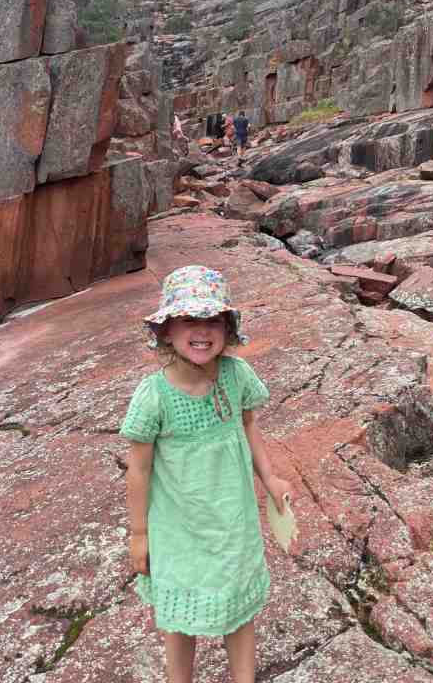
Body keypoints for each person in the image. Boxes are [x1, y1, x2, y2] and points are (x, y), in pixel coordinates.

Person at [120, 266, 289, 683]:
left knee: (240, 609)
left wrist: (270, 479)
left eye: (213, 320)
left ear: (227, 329)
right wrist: (139, 533)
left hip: (233, 522)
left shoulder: (236, 376)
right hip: (178, 530)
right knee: (179, 619)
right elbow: (139, 468)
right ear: (166, 331)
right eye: (188, 320)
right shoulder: (154, 396)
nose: (202, 331)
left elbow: (248, 425)